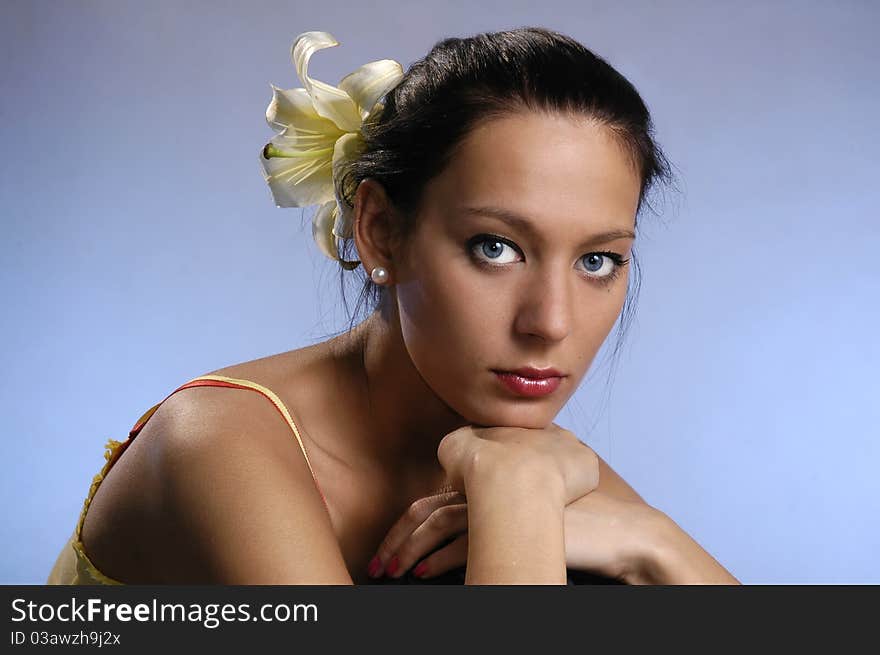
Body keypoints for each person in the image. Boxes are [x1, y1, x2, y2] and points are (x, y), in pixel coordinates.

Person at [48, 27, 740, 585]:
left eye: (598, 260)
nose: (550, 323)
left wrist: (652, 541)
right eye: (495, 247)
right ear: (380, 229)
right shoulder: (219, 441)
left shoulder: (526, 452)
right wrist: (521, 503)